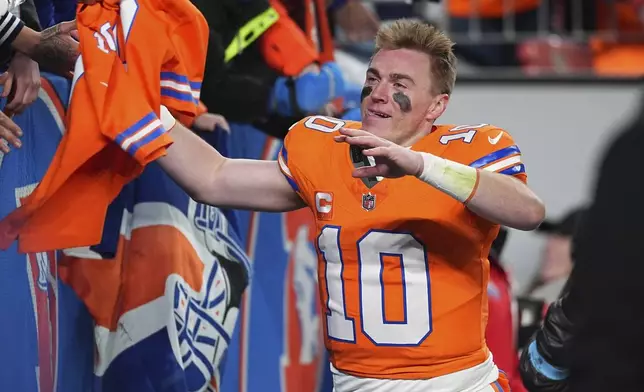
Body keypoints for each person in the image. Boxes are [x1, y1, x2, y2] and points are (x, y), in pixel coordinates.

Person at [156, 19, 545, 391]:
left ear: (436, 107)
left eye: (399, 83)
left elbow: (528, 211)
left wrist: (421, 165)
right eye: (373, 79)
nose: (378, 92)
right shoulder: (328, 149)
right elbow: (213, 178)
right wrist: (141, 106)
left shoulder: (466, 152)